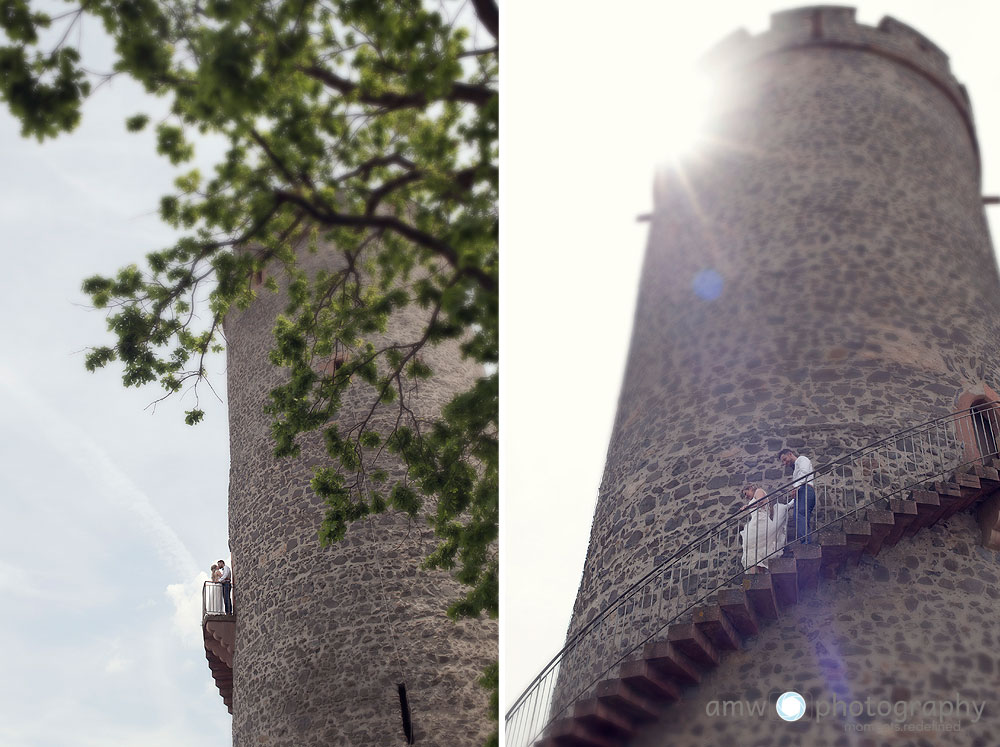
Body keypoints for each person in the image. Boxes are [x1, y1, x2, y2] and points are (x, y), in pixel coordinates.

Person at [738, 484, 790, 572]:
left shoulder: (759, 491)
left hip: (761, 522)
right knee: (753, 549)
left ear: (750, 488)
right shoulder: (754, 496)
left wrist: (748, 506)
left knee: (751, 546)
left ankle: (755, 575)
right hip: (756, 522)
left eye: (746, 493)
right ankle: (757, 574)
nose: (746, 497)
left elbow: (760, 502)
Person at [779, 448, 816, 543]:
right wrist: (789, 505)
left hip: (805, 489)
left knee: (799, 515)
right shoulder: (795, 468)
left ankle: (806, 543)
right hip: (802, 491)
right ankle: (806, 542)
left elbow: (804, 473)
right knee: (800, 516)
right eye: (783, 461)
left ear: (790, 454)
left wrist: (796, 486)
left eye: (784, 459)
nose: (784, 463)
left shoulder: (802, 459)